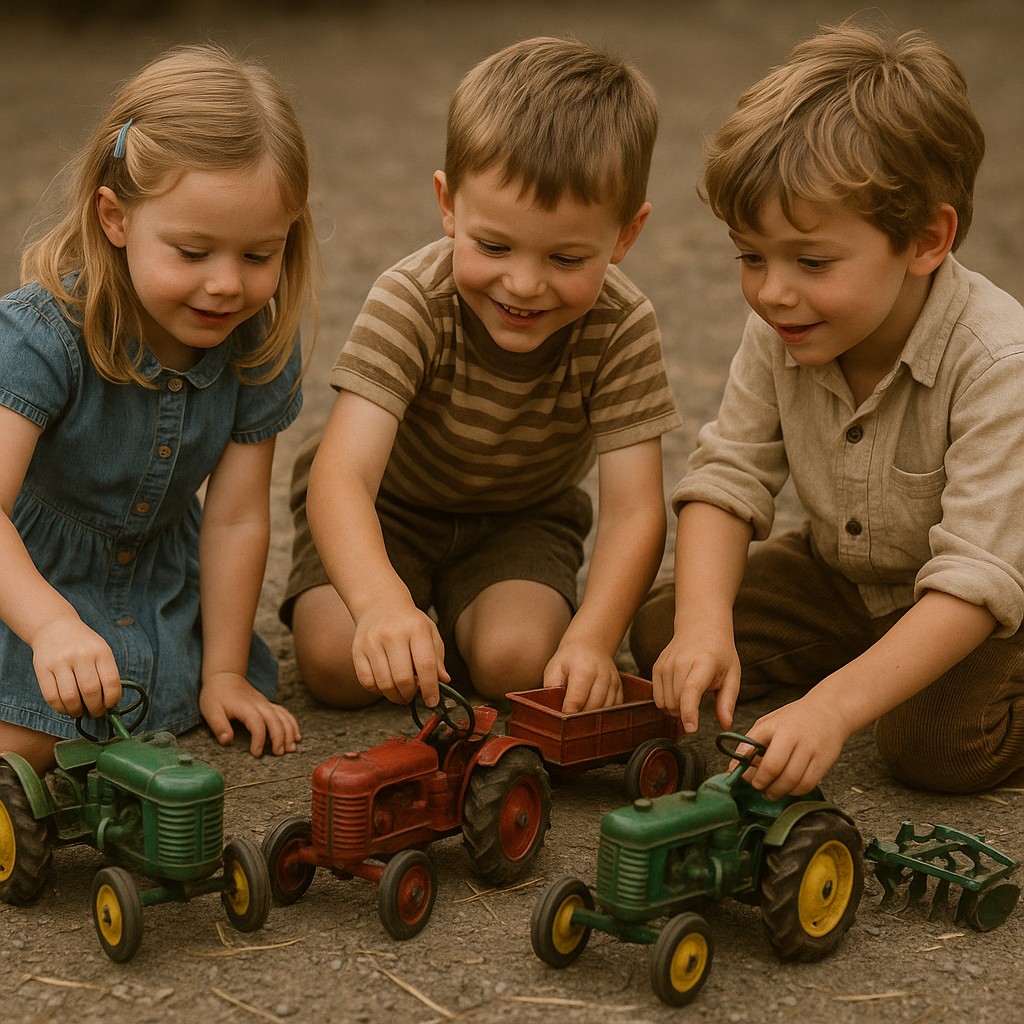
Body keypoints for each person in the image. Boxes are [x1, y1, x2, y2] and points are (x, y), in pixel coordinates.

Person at [629, 23, 1024, 797]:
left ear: (925, 239)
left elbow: (975, 578)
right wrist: (705, 624)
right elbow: (729, 474)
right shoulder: (787, 325)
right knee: (664, 631)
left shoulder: (997, 362)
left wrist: (831, 710)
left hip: (979, 604)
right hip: (849, 577)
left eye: (811, 261)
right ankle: (877, 663)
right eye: (751, 256)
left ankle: (884, 679)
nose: (773, 291)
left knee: (932, 746)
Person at [284, 36, 679, 714]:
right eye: (493, 245)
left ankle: (464, 621)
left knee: (519, 664)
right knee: (335, 663)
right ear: (449, 205)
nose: (524, 284)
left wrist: (592, 637)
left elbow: (635, 510)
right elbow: (342, 476)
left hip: (521, 518)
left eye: (565, 259)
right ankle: (413, 616)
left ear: (624, 237)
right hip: (388, 509)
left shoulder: (621, 324)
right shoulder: (410, 299)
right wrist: (380, 604)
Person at [0, 44, 320, 772]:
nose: (226, 287)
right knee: (37, 742)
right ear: (115, 218)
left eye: (257, 255)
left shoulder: (258, 341)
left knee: (134, 728)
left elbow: (239, 515)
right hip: (24, 589)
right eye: (192, 251)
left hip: (155, 591)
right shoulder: (40, 335)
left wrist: (227, 672)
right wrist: (51, 625)